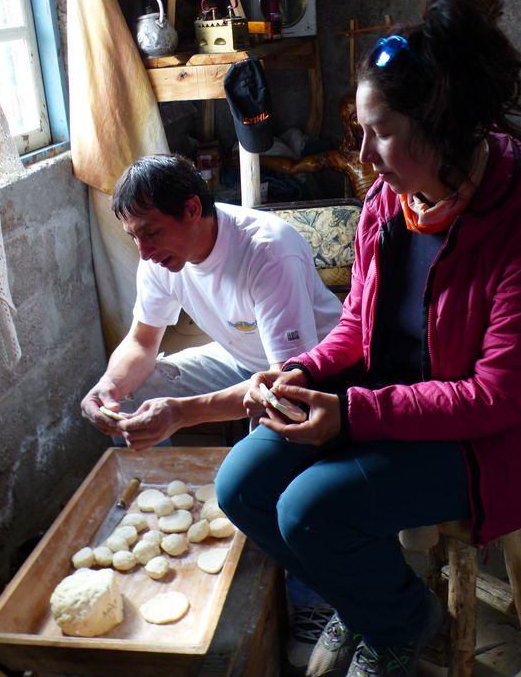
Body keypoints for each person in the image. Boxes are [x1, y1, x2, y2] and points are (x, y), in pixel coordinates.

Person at [214, 0, 521, 677]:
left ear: (445, 129)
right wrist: (302, 370)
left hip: (483, 439)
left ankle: (396, 623)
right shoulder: (391, 201)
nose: (361, 155)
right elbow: (358, 326)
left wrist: (353, 416)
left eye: (381, 133)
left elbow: (498, 396)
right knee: (241, 483)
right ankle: (378, 602)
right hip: (390, 400)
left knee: (309, 511)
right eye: (360, 131)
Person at [80, 152, 343, 670]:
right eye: (134, 237)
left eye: (150, 233)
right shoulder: (159, 257)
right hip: (241, 359)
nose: (143, 250)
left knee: (280, 444)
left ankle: (313, 598)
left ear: (192, 209)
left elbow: (285, 385)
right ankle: (163, 520)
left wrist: (181, 412)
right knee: (130, 394)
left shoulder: (267, 250)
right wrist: (107, 388)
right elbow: (142, 341)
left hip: (312, 374)